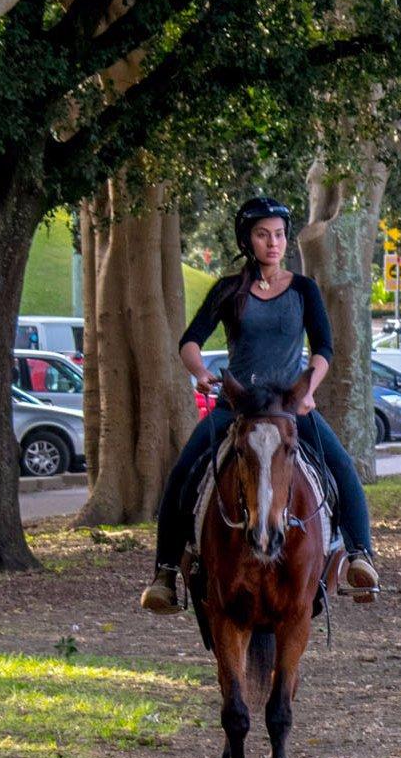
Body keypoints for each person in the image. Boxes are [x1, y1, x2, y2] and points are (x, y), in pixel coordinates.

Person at [140, 197, 377, 615]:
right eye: (263, 234)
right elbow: (190, 341)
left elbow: (323, 348)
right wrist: (199, 373)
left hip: (289, 408)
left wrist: (308, 389)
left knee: (342, 468)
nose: (273, 243)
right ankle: (164, 574)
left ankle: (360, 557)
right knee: (182, 474)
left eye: (280, 235)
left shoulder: (304, 289)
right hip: (238, 406)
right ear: (248, 240)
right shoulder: (229, 289)